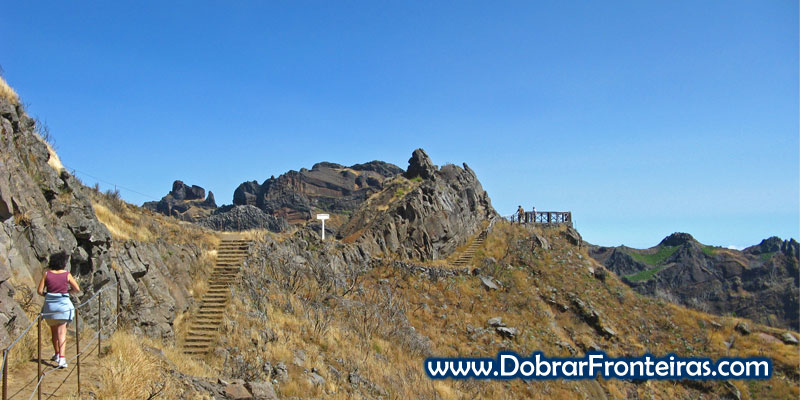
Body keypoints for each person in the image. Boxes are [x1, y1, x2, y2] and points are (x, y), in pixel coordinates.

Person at [37, 251, 80, 369]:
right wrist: (67, 293)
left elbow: (40, 291)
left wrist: (48, 295)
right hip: (63, 307)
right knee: (62, 333)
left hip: (50, 307)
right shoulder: (67, 274)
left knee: (54, 332)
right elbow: (76, 288)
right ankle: (62, 358)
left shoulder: (47, 274)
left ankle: (56, 353)